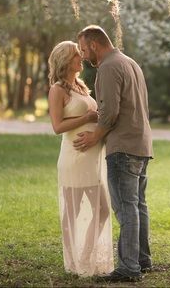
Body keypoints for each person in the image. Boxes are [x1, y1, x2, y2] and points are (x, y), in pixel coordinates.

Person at [74, 25, 153, 282]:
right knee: (138, 206)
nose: (84, 55)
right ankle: (142, 260)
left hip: (122, 148)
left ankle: (129, 268)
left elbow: (110, 112)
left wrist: (94, 136)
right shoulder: (129, 62)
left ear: (95, 45)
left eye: (84, 49)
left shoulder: (108, 67)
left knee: (126, 208)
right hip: (141, 144)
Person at [48, 41, 114, 277]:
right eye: (77, 55)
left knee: (104, 210)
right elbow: (57, 126)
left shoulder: (80, 86)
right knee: (72, 213)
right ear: (66, 60)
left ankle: (85, 254)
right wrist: (87, 116)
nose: (82, 58)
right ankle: (74, 261)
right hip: (74, 157)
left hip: (92, 158)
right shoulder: (58, 89)